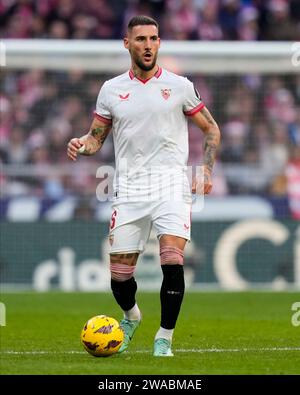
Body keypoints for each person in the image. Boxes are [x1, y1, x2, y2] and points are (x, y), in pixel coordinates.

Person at [67, 15, 221, 357]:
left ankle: (164, 337)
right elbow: (96, 138)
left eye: (153, 38)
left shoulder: (180, 86)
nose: (148, 45)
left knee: (171, 258)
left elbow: (211, 130)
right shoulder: (111, 89)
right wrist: (82, 143)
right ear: (127, 44)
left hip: (171, 186)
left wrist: (206, 170)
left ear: (159, 43)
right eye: (140, 39)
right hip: (129, 188)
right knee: (120, 276)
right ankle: (131, 315)